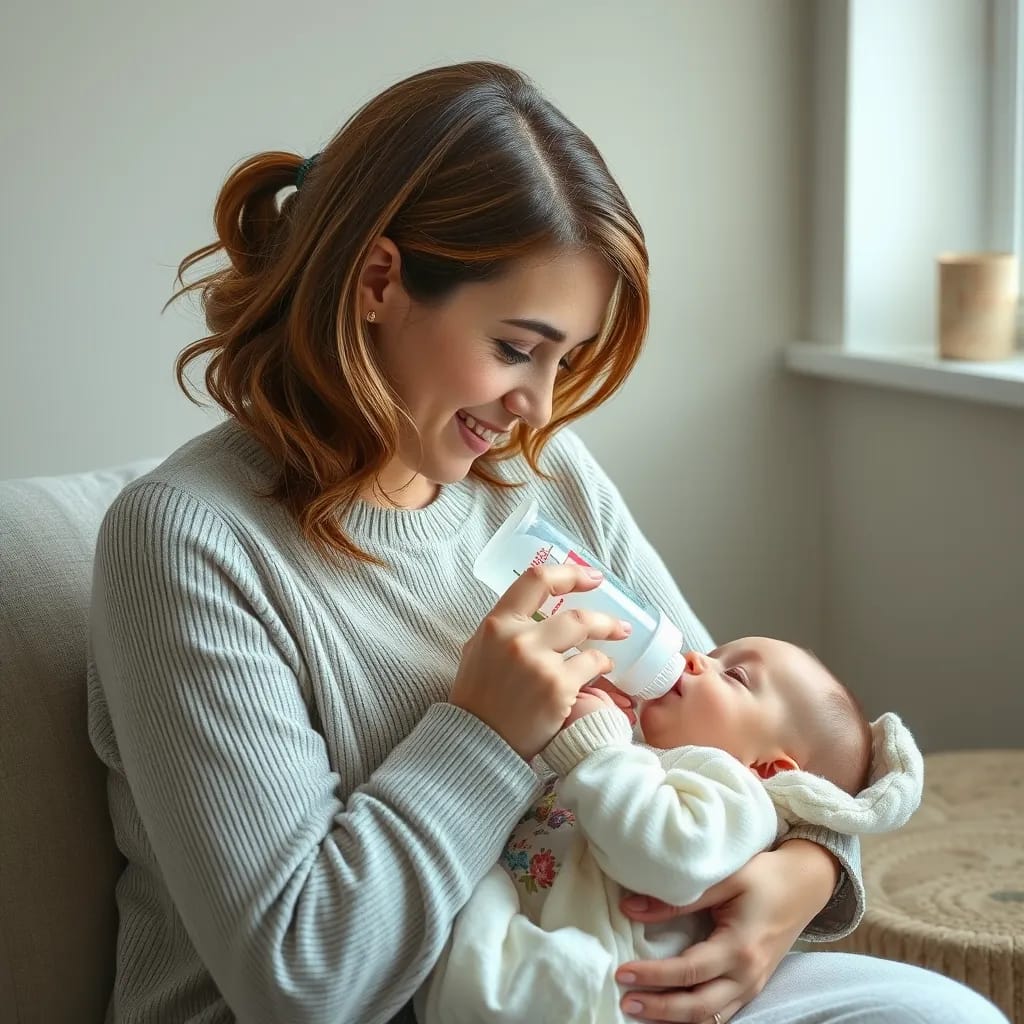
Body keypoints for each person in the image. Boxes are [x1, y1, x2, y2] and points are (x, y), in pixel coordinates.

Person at [85, 61, 1009, 1024]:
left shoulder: (538, 474)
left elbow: (744, 743)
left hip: (597, 975)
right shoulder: (190, 543)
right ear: (377, 281)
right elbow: (302, 979)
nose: (539, 405)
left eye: (564, 358)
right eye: (516, 348)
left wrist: (808, 875)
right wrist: (485, 735)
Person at [415, 637, 925, 1023]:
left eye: (736, 677)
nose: (697, 659)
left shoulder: (738, 797)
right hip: (533, 939)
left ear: (770, 769)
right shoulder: (654, 759)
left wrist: (597, 747)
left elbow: (670, 855)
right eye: (714, 652)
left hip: (593, 983)